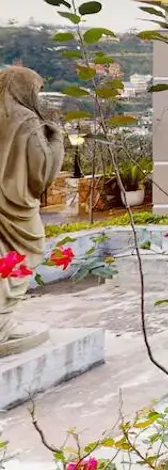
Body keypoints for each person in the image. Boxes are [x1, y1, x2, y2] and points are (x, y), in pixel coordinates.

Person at [0, 67, 64, 344]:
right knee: (26, 252)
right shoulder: (26, 120)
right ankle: (3, 321)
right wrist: (57, 138)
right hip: (15, 203)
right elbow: (40, 175)